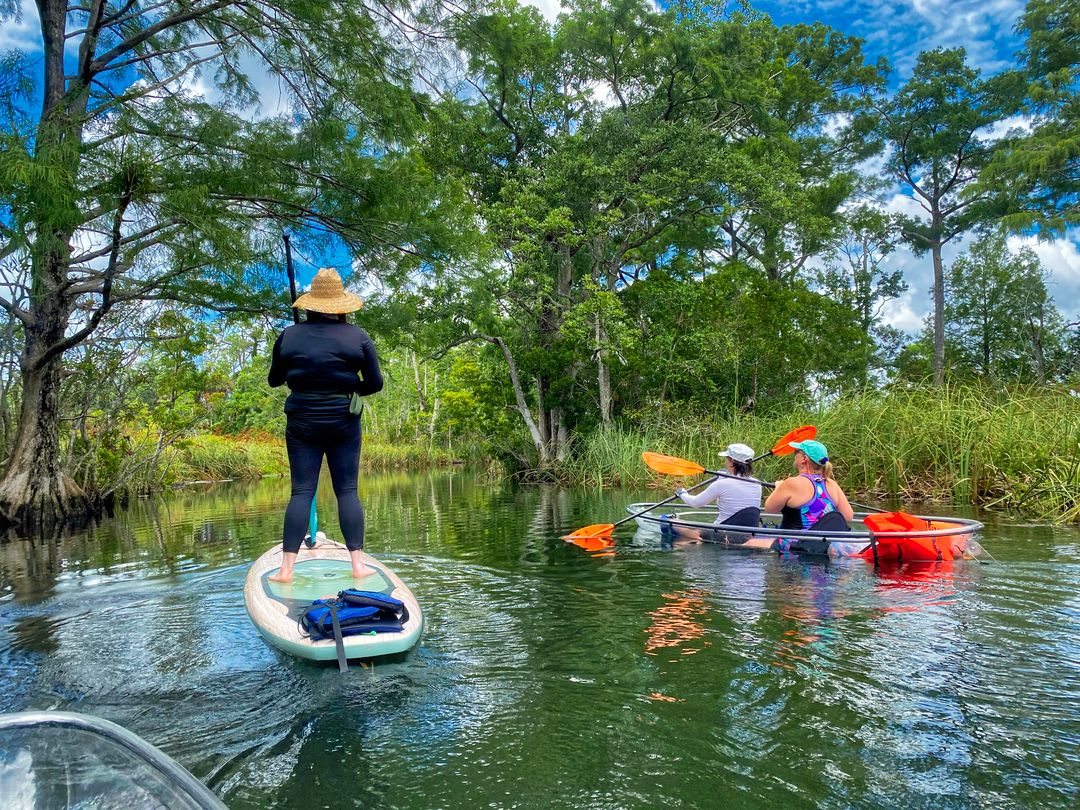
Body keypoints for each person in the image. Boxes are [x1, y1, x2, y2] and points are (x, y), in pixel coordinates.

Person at [266, 268, 384, 583]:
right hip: (343, 420)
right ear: (340, 306)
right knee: (347, 490)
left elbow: (275, 380)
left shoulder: (289, 335)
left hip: (302, 420)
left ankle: (286, 570)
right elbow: (375, 383)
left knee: (301, 491)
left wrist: (291, 352)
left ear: (310, 304)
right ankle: (358, 566)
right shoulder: (357, 336)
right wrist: (349, 388)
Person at [764, 439, 854, 531]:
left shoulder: (791, 483)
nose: (794, 455)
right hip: (824, 543)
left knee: (752, 542)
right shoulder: (832, 484)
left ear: (804, 459)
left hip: (795, 542)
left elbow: (769, 509)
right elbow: (848, 516)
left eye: (796, 452)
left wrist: (779, 487)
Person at [675, 443, 762, 525]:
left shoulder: (721, 484)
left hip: (722, 531)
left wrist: (682, 493)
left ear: (731, 461)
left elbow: (695, 503)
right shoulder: (758, 484)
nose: (726, 462)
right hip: (750, 531)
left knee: (675, 524)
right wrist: (723, 478)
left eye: (727, 459)